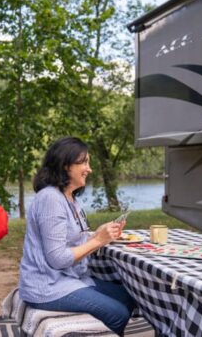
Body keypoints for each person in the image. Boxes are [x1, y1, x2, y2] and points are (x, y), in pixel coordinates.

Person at [19, 137, 135, 335]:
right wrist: (98, 241)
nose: (89, 169)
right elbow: (58, 259)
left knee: (128, 297)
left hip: (71, 279)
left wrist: (98, 235)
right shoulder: (50, 198)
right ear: (65, 166)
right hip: (47, 286)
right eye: (84, 162)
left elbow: (71, 241)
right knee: (118, 313)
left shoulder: (70, 199)